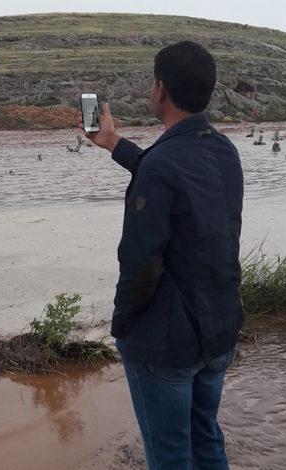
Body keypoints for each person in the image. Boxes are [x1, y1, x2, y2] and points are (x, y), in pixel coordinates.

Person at [84, 41, 243, 469]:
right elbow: (174, 176)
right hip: (220, 329)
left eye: (153, 81)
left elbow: (139, 262)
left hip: (168, 343)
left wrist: (124, 327)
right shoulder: (223, 151)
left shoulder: (163, 166)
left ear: (161, 90)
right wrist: (115, 144)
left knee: (170, 457)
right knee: (206, 439)